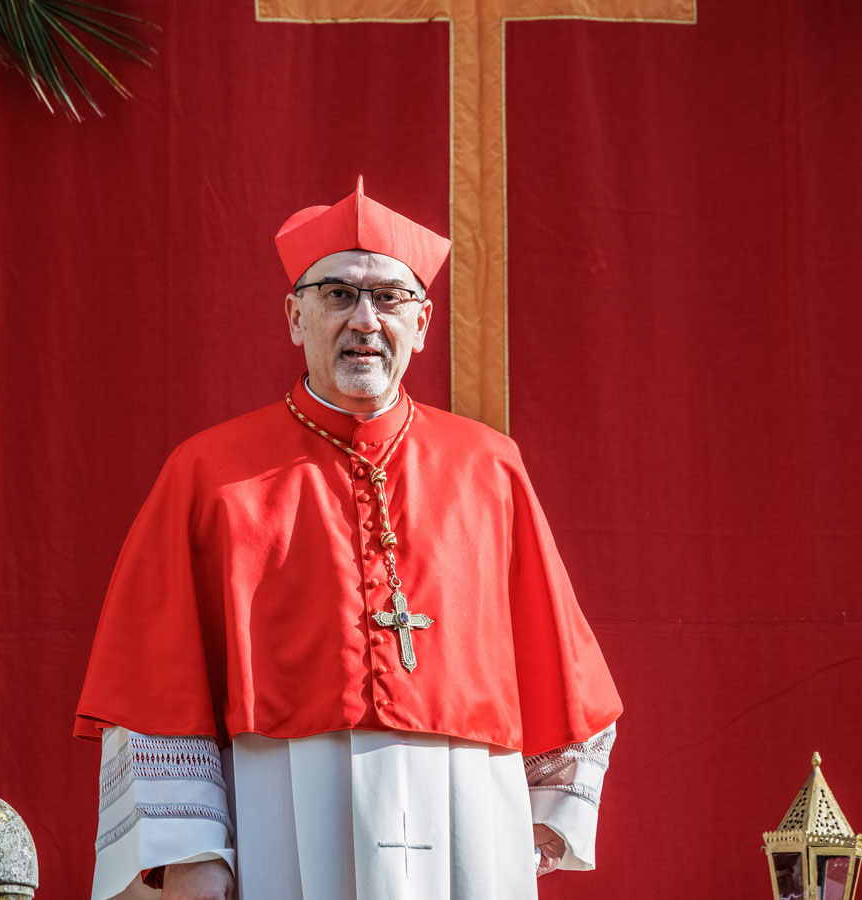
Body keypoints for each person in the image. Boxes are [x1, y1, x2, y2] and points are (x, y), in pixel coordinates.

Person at [75, 177, 622, 900]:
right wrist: (192, 853)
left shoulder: (490, 467)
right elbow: (156, 684)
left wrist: (537, 823)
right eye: (337, 294)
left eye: (388, 297)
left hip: (466, 815)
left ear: (422, 323)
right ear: (294, 317)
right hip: (280, 811)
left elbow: (565, 669)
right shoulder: (209, 475)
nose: (364, 319)